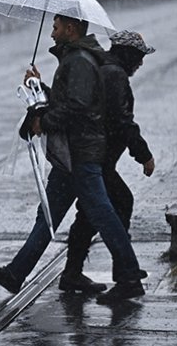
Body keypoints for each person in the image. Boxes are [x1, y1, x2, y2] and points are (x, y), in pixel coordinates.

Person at [0, 15, 147, 304]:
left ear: (71, 29)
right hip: (71, 155)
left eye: (55, 27)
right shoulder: (76, 58)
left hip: (81, 153)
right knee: (49, 215)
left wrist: (44, 122)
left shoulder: (81, 60)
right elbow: (68, 101)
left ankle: (129, 277)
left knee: (103, 214)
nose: (52, 33)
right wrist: (38, 88)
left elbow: (78, 109)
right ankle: (16, 273)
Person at [59, 30, 156, 293]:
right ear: (127, 54)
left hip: (95, 156)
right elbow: (121, 120)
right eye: (138, 57)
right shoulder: (114, 75)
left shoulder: (105, 68)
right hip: (97, 158)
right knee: (118, 203)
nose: (140, 63)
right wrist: (143, 154)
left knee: (91, 215)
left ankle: (74, 273)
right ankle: (126, 276)